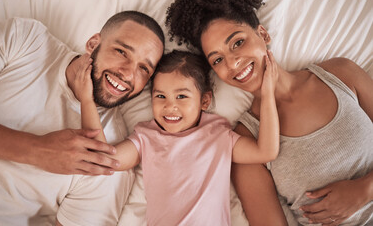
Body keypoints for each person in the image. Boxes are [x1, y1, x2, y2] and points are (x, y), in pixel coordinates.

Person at [165, 0, 373, 226]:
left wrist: (364, 190)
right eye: (218, 59)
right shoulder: (246, 142)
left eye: (237, 42)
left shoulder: (340, 73)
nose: (232, 63)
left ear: (263, 35)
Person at [0, 11, 164, 225]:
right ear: (93, 43)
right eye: (122, 52)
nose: (128, 74)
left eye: (144, 68)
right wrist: (37, 150)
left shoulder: (108, 158)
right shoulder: (26, 39)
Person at [73, 49, 280, 225]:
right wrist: (87, 100)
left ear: (204, 101)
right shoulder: (146, 137)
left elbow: (266, 151)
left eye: (182, 96)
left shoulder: (218, 135)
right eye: (160, 96)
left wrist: (267, 94)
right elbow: (101, 158)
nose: (170, 106)